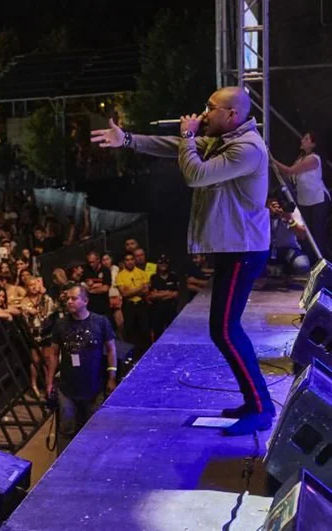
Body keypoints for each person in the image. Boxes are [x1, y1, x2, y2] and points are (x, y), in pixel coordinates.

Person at [91, 86, 274, 435]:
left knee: (224, 329)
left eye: (210, 108)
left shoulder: (247, 148)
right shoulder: (226, 140)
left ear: (231, 114)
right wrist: (127, 139)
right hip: (234, 248)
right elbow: (175, 148)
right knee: (224, 329)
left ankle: (261, 407)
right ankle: (254, 402)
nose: (203, 113)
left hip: (243, 250)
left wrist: (189, 135)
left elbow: (195, 174)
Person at [45, 285, 116, 454]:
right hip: (67, 388)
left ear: (85, 301)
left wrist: (112, 376)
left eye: (74, 298)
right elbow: (53, 354)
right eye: (68, 298)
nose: (69, 302)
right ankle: (62, 465)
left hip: (94, 386)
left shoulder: (100, 322)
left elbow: (112, 349)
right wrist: (49, 382)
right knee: (66, 429)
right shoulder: (61, 325)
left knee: (94, 428)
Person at [271, 131, 330, 260]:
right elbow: (288, 174)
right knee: (306, 233)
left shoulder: (313, 159)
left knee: (317, 232)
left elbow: (290, 170)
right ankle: (310, 260)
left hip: (318, 199)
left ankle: (320, 262)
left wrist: (272, 159)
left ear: (313, 144)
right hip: (305, 200)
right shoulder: (300, 159)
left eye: (307, 139)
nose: (302, 140)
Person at [148, 256, 180, 340]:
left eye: (165, 263)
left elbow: (176, 294)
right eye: (161, 263)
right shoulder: (153, 277)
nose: (163, 265)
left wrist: (160, 293)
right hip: (158, 310)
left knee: (173, 333)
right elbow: (152, 295)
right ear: (158, 264)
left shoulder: (173, 276)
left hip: (171, 309)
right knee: (158, 334)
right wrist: (168, 292)